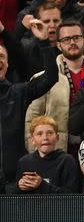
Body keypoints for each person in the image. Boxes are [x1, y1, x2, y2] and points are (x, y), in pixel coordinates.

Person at [25, 20, 84, 152]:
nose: (72, 42)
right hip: (56, 151)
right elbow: (31, 120)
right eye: (66, 39)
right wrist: (35, 154)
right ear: (59, 45)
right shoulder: (41, 79)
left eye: (76, 38)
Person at [0, 18, 57, 192]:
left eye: (1, 56)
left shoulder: (18, 92)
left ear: (8, 64)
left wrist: (44, 43)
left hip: (15, 180)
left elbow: (50, 78)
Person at [13, 115, 80, 194]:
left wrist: (42, 185)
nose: (45, 137)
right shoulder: (24, 162)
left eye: (50, 133)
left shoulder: (67, 161)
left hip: (58, 206)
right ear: (32, 140)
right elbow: (16, 197)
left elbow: (73, 196)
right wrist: (19, 187)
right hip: (31, 206)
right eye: (39, 134)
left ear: (57, 137)